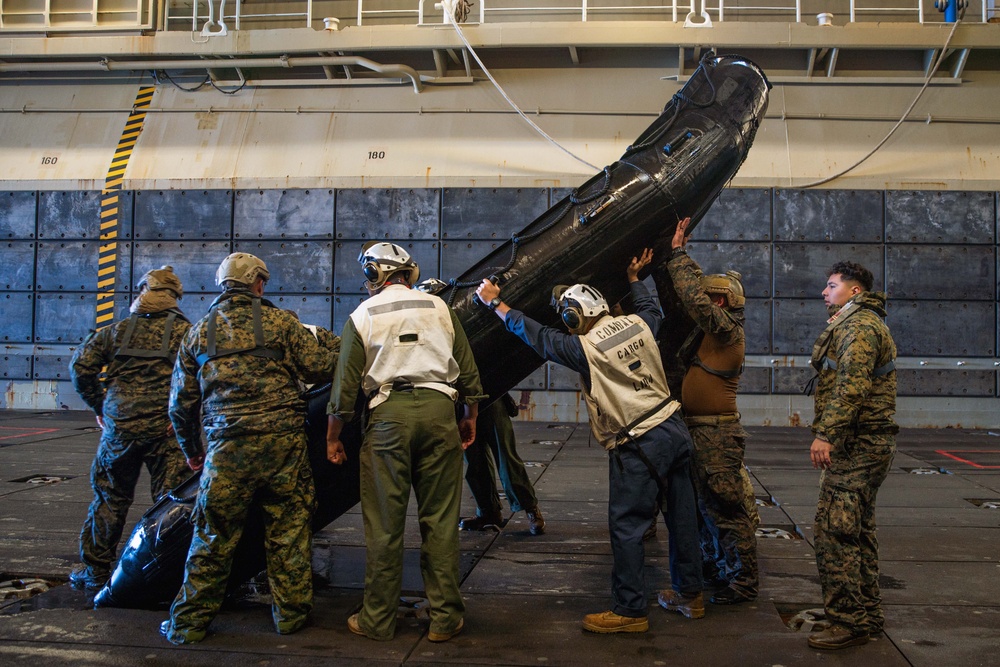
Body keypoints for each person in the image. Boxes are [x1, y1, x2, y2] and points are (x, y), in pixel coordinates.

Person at [475, 249, 703, 634]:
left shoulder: (586, 348)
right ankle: (690, 596)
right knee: (682, 519)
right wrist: (634, 278)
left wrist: (493, 302)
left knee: (627, 527)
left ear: (573, 317)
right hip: (674, 428)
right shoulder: (641, 323)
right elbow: (650, 305)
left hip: (639, 442)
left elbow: (534, 334)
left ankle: (630, 611)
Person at [161, 252, 339, 645]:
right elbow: (319, 368)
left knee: (212, 537)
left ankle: (187, 624)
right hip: (283, 448)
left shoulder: (197, 333)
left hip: (227, 451)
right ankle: (290, 617)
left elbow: (179, 405)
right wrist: (338, 345)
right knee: (289, 531)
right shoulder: (279, 323)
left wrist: (193, 451)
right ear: (258, 284)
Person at [326, 242, 485, 643]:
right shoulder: (440, 308)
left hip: (388, 420)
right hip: (438, 413)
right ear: (408, 273)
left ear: (378, 275)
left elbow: (344, 387)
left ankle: (378, 620)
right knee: (441, 522)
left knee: (384, 526)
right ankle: (445, 618)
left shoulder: (362, 315)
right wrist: (469, 417)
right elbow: (467, 371)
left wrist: (333, 437)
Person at [68, 266, 191, 590]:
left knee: (110, 498)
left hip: (119, 428)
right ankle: (169, 575)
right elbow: (202, 377)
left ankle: (95, 572)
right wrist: (181, 417)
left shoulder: (117, 330)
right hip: (164, 430)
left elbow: (80, 367)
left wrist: (102, 407)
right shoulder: (187, 333)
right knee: (171, 505)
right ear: (175, 296)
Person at [662, 217, 759, 606]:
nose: (702, 303)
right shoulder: (710, 332)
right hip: (698, 431)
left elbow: (693, 298)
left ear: (720, 301)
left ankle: (743, 580)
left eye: (709, 298)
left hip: (715, 435)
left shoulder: (726, 331)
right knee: (703, 508)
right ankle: (719, 568)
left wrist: (678, 254)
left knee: (724, 508)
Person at [806, 260, 897, 650]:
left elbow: (851, 387)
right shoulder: (858, 324)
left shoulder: (859, 328)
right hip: (865, 444)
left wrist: (826, 434)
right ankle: (868, 614)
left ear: (854, 291)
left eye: (831, 286)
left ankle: (847, 622)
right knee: (857, 530)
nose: (824, 293)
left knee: (835, 531)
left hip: (857, 445)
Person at [413, 278, 545, 535]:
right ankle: (488, 512)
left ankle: (530, 508)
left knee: (505, 456)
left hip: (487, 395)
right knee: (473, 461)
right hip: (460, 399)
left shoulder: (460, 322)